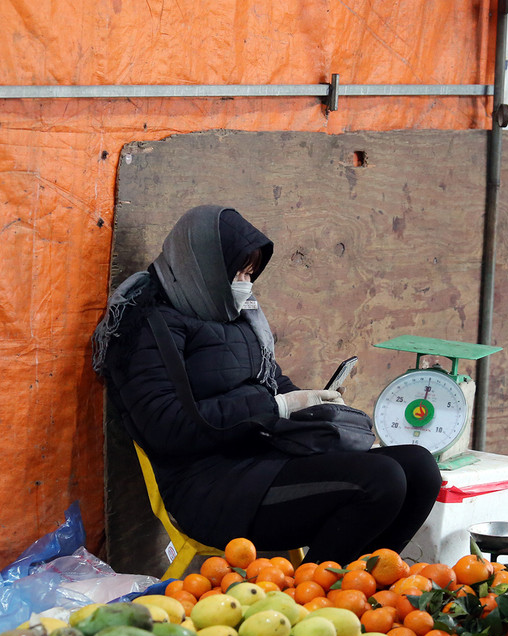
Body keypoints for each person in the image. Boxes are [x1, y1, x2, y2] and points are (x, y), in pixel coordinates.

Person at [92, 204, 442, 564]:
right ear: (203, 265)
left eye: (250, 273)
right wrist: (278, 407)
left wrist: (310, 401)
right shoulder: (149, 326)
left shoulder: (233, 314)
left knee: (420, 468)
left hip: (264, 458)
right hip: (209, 486)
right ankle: (313, 597)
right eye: (237, 272)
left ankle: (362, 587)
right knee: (380, 479)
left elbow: (268, 379)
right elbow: (168, 427)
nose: (244, 284)